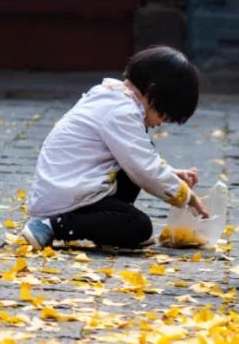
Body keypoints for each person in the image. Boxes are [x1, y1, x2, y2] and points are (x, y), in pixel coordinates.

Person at [21, 46, 210, 251]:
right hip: (68, 194)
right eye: (164, 115)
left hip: (71, 186)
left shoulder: (110, 96)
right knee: (139, 227)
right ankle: (51, 225)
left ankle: (103, 229)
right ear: (152, 92)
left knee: (137, 160)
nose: (160, 123)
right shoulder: (121, 112)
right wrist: (187, 197)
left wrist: (172, 174)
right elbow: (144, 169)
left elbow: (139, 159)